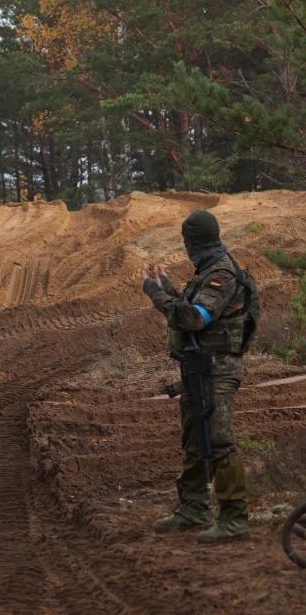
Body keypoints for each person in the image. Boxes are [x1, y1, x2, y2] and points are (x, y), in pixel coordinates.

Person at [141, 209, 254, 544]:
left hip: (218, 369)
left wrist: (155, 293)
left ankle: (234, 518)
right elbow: (193, 307)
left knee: (218, 440)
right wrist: (169, 288)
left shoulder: (221, 272)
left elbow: (193, 319)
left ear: (192, 242)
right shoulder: (207, 270)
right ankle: (193, 508)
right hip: (199, 368)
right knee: (194, 439)